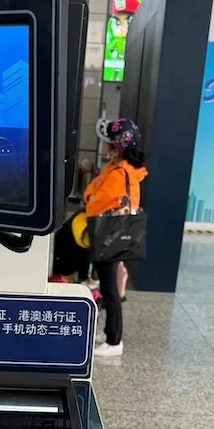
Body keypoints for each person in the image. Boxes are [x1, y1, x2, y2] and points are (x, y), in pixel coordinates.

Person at [87, 118, 147, 357]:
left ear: (118, 146)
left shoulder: (118, 171)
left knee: (110, 289)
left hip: (108, 236)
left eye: (110, 143)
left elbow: (94, 202)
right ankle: (109, 331)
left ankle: (114, 341)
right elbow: (94, 187)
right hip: (115, 234)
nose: (106, 147)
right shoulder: (121, 167)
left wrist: (90, 198)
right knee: (108, 286)